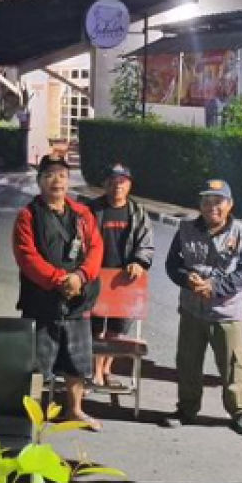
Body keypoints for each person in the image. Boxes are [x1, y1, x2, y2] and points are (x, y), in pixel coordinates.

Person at [13, 154, 104, 430]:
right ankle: (32, 415)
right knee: (37, 363)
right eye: (50, 175)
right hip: (42, 299)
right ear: (39, 181)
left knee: (77, 360)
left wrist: (80, 277)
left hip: (78, 299)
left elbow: (96, 249)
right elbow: (27, 257)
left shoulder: (83, 214)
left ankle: (74, 410)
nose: (57, 181)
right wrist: (59, 279)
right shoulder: (27, 216)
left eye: (62, 175)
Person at [162, 179, 242, 436]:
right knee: (188, 362)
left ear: (230, 204)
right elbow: (172, 264)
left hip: (227, 313)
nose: (212, 206)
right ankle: (186, 409)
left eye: (218, 201)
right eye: (206, 201)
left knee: (233, 365)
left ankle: (239, 412)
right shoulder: (186, 229)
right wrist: (187, 279)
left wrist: (215, 287)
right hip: (192, 310)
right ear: (200, 204)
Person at [87, 163, 154, 390]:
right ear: (105, 184)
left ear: (129, 185)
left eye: (122, 182)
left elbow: (146, 244)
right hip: (96, 276)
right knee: (96, 326)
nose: (118, 186)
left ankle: (107, 369)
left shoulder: (138, 213)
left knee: (118, 328)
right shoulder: (91, 210)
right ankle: (96, 371)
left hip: (124, 280)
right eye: (113, 181)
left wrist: (139, 262)